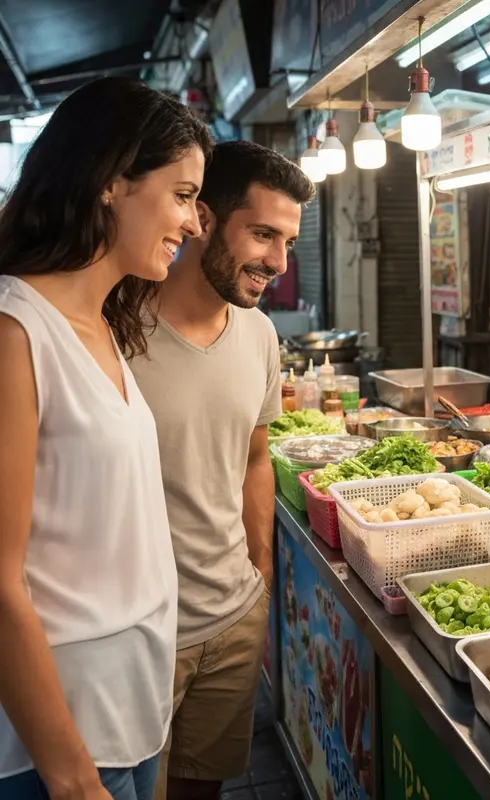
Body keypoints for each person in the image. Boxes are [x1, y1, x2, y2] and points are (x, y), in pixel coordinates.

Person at [0, 78, 211, 800]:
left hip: (133, 710)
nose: (193, 222)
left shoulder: (104, 322)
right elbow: (0, 580)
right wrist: (70, 776)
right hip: (63, 739)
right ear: (112, 182)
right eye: (182, 195)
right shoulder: (15, 331)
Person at [128, 141, 315, 800]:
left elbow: (255, 458)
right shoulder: (118, 327)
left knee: (202, 792)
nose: (278, 263)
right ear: (202, 219)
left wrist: (259, 577)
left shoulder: (260, 336)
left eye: (288, 242)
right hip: (140, 631)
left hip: (231, 616)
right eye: (263, 234)